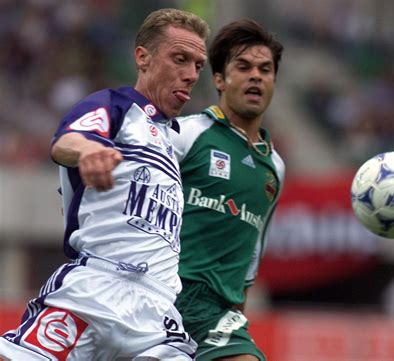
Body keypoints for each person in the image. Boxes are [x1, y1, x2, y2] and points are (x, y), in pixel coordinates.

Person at [0, 8, 209, 361]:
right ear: (143, 58)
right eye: (180, 59)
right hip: (95, 290)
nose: (190, 75)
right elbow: (67, 142)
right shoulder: (117, 106)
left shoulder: (173, 143)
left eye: (198, 66)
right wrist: (89, 151)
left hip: (156, 314)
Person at [171, 19, 285, 361]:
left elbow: (252, 251)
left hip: (216, 313)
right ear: (219, 79)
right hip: (164, 295)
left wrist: (239, 311)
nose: (256, 76)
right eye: (244, 67)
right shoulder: (186, 134)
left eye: (265, 69)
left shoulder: (274, 168)